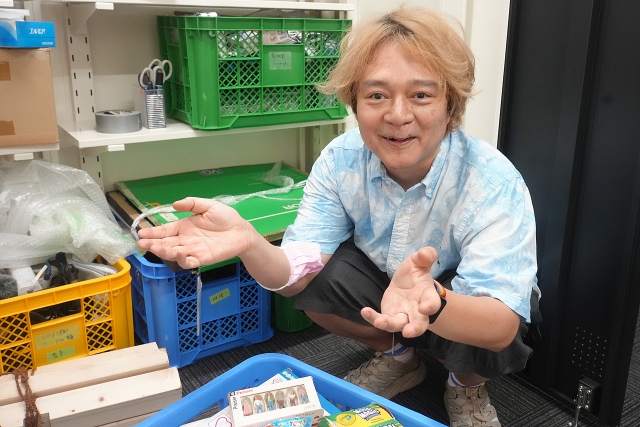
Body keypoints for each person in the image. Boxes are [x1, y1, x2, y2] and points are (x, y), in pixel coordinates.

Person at [137, 6, 541, 427]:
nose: (397, 115)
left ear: (450, 105)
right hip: (385, 286)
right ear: (354, 102)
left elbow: (500, 326)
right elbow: (295, 274)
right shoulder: (340, 160)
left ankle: (464, 385)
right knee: (318, 279)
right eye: (376, 95)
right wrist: (250, 242)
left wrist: (435, 300)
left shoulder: (491, 180)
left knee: (497, 329)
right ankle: (401, 360)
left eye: (421, 95)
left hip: (454, 298)